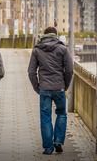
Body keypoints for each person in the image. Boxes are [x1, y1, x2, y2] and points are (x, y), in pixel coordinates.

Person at [28, 27, 73, 155]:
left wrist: (37, 87)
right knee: (61, 113)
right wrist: (65, 85)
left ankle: (48, 148)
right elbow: (69, 70)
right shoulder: (63, 49)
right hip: (59, 88)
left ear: (44, 35)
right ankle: (58, 141)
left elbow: (31, 72)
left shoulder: (37, 49)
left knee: (45, 117)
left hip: (44, 89)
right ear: (56, 35)